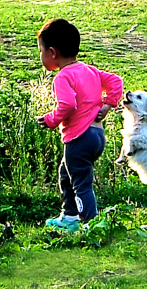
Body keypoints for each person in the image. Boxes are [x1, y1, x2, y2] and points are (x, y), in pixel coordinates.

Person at [35, 18, 124, 231]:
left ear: (52, 53)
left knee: (81, 185)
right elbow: (116, 81)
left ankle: (90, 225)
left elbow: (67, 105)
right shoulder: (89, 70)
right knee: (66, 173)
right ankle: (70, 216)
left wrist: (50, 120)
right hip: (97, 135)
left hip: (78, 137)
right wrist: (108, 104)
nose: (41, 55)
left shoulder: (62, 77)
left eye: (41, 50)